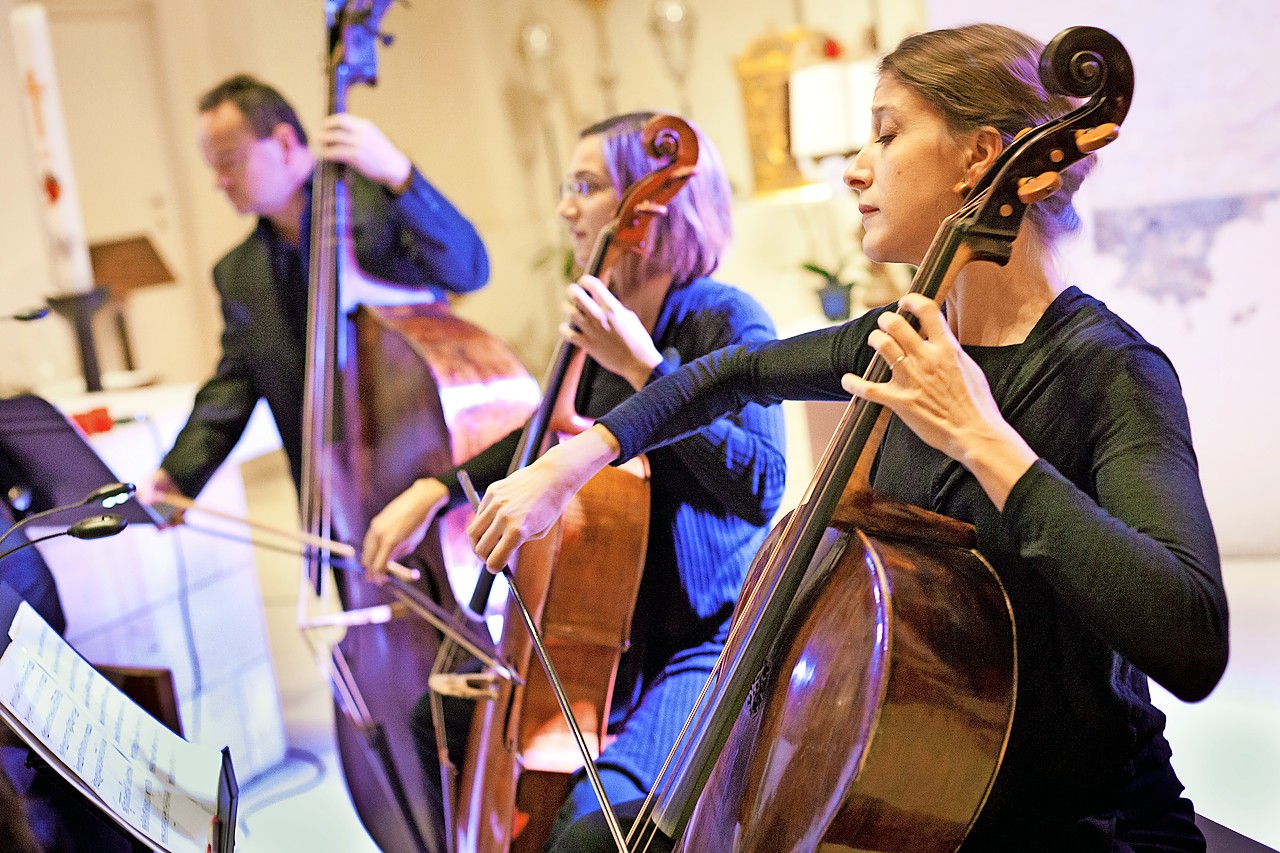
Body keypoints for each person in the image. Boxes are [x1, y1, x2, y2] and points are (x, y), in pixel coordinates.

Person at [464, 24, 1230, 853]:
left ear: (980, 158)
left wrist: (985, 439)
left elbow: (1191, 638)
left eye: (888, 132)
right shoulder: (902, 335)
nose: (855, 165)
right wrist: (563, 466)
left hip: (1084, 828)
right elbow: (729, 376)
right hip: (913, 806)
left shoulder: (1111, 373)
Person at [360, 112, 787, 848]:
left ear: (646, 213)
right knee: (424, 730)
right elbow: (546, 439)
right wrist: (435, 490)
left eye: (585, 187)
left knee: (589, 836)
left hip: (701, 642)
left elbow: (762, 485)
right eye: (568, 187)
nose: (566, 207)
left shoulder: (726, 321)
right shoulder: (598, 328)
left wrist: (647, 370)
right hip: (597, 638)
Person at [146, 74, 489, 508]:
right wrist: (178, 473)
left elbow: (470, 270)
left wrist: (401, 176)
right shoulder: (239, 274)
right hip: (334, 506)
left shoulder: (380, 203)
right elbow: (234, 384)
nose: (218, 181)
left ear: (286, 142)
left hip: (429, 484)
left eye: (228, 160)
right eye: (211, 165)